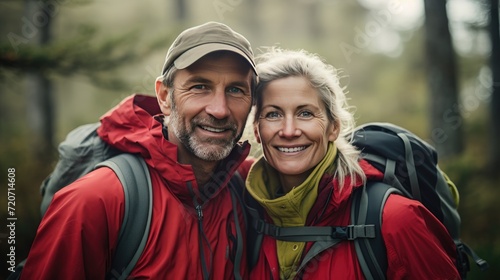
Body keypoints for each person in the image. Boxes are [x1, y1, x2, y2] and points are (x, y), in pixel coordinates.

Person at [20, 21, 257, 279]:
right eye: (199, 87)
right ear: (165, 97)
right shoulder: (96, 200)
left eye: (235, 90)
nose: (219, 109)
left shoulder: (248, 187)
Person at [245, 48, 460, 279]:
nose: (289, 131)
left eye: (305, 113)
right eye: (273, 115)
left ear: (333, 128)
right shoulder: (248, 213)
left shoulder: (396, 218)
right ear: (257, 130)